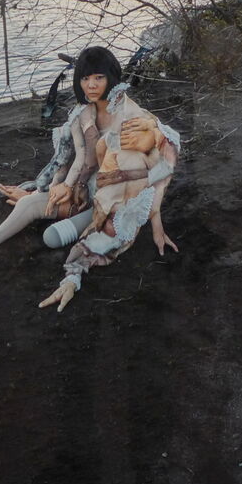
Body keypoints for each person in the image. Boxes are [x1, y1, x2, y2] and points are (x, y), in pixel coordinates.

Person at [37, 47, 180, 313]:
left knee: (57, 237)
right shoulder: (84, 111)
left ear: (111, 78)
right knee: (38, 209)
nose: (91, 85)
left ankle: (76, 263)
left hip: (115, 191)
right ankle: (61, 209)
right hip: (89, 184)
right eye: (84, 78)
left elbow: (159, 170)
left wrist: (156, 224)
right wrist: (57, 185)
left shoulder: (131, 119)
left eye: (99, 78)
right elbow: (74, 157)